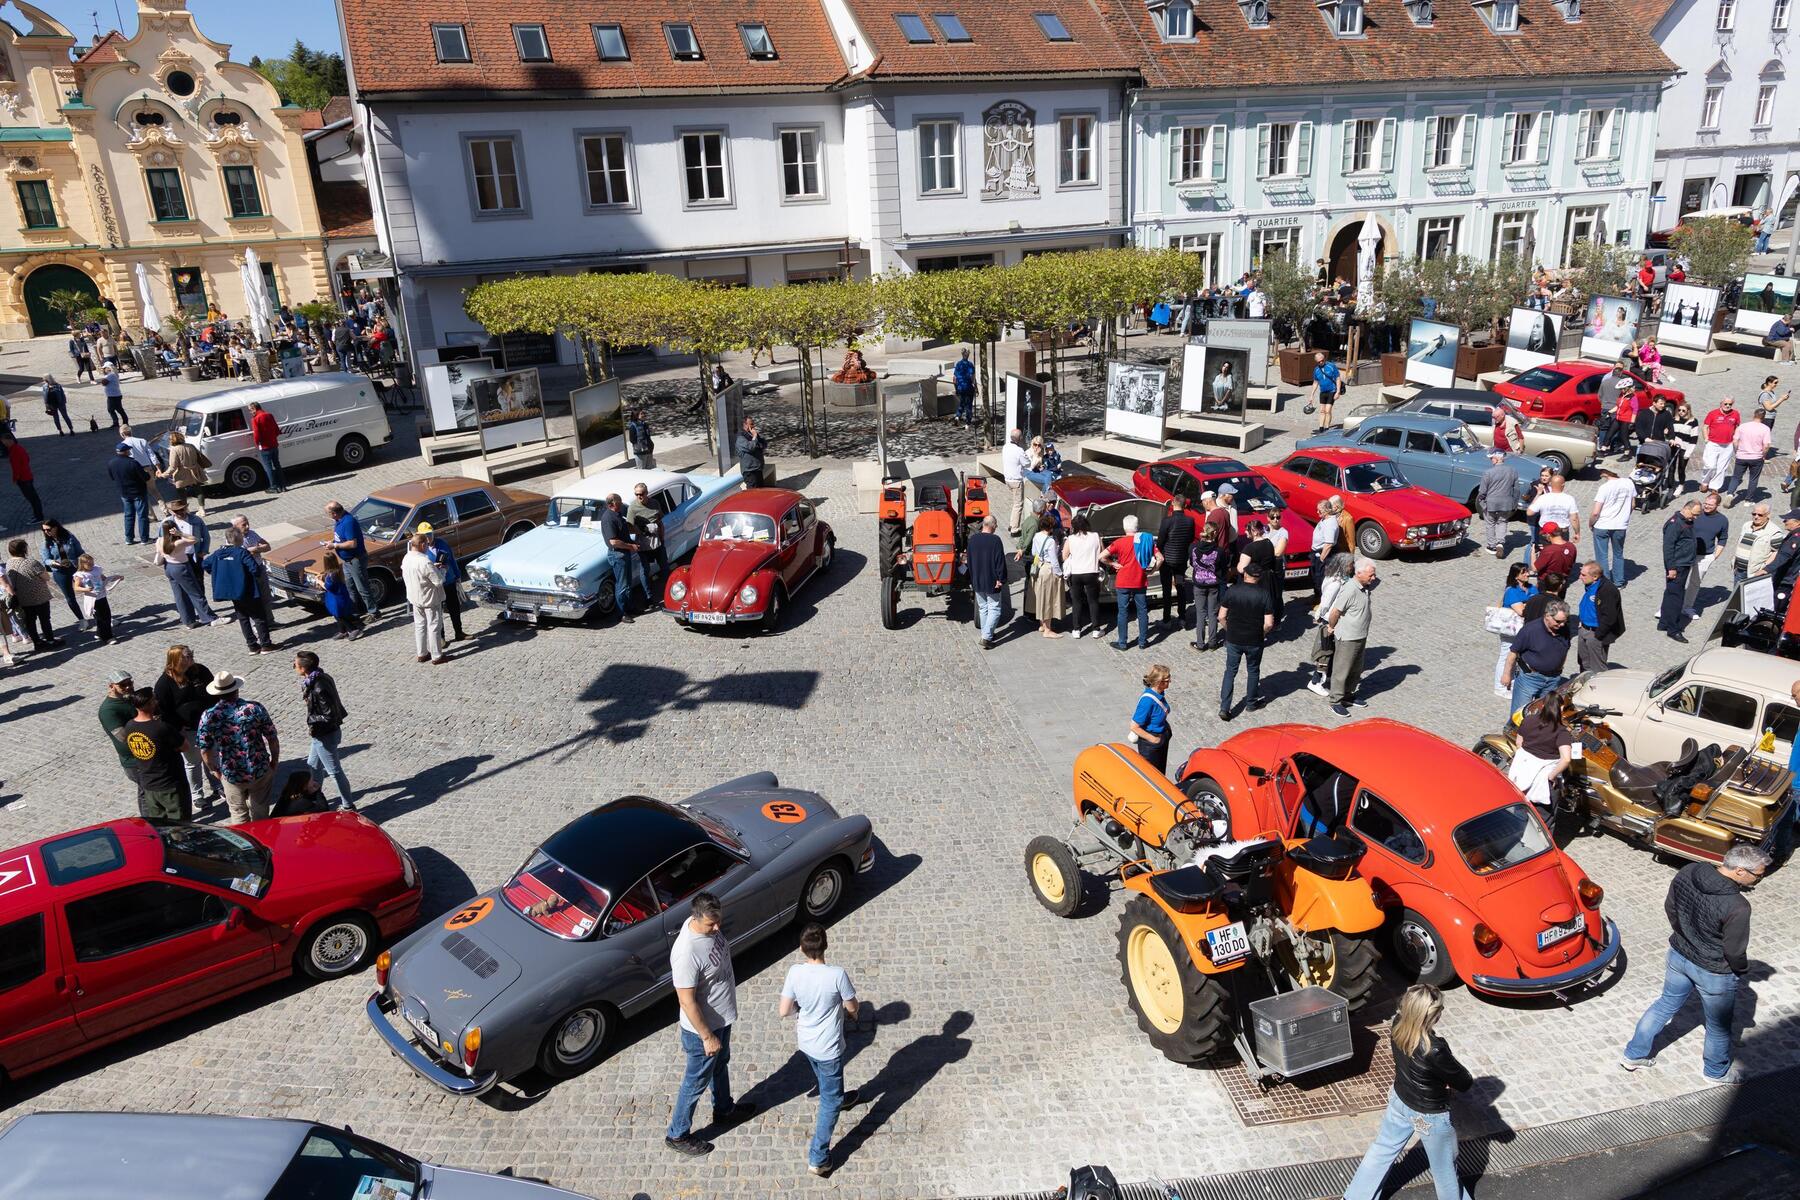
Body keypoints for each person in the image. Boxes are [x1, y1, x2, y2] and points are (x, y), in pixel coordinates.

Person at [1622, 845, 1771, 1081]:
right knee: (1718, 1026)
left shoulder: (1690, 871)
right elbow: (1734, 951)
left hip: (1679, 954)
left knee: (1664, 1005)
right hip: (1713, 971)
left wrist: (1683, 934)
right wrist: (1741, 970)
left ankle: (1634, 1054)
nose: (1759, 880)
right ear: (1741, 871)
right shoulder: (1737, 906)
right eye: (1758, 876)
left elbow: (1670, 906)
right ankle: (1715, 1071)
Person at [1341, 984, 1474, 1200]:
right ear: (1429, 1016)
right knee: (1444, 1169)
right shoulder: (1435, 1049)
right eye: (1438, 1010)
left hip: (1399, 1099)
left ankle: (1355, 1197)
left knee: (1382, 1149)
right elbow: (1464, 1081)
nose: (1440, 1013)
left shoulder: (1398, 1026)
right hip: (1428, 1115)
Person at [666, 892, 753, 1157]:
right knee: (695, 1081)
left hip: (721, 1020)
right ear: (696, 917)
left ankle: (724, 1109)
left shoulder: (708, 929)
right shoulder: (686, 951)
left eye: (718, 922)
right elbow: (686, 1000)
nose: (716, 929)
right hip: (703, 1031)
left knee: (721, 1065)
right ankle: (677, 1134)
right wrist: (707, 1036)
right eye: (710, 925)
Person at [780, 922, 862, 1177]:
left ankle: (838, 1096)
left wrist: (801, 1010)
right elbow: (852, 1005)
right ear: (825, 945)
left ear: (802, 948)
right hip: (828, 1046)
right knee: (830, 1100)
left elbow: (784, 1010)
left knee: (825, 1079)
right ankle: (818, 1156)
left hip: (806, 1042)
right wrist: (853, 1014)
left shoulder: (795, 972)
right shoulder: (836, 975)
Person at [196, 671, 280, 824]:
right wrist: (274, 761)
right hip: (259, 768)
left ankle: (246, 844)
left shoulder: (209, 716)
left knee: (238, 813)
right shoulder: (254, 708)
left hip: (232, 773)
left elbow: (204, 749)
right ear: (236, 689)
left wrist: (214, 769)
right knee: (260, 812)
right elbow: (272, 738)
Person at [154, 645, 220, 808]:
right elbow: (163, 711)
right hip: (187, 730)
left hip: (207, 724)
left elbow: (213, 691)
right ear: (176, 659)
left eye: (191, 654)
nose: (191, 658)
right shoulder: (164, 683)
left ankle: (217, 786)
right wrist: (178, 729)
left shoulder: (200, 671)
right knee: (193, 762)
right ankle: (197, 794)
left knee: (212, 756)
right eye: (187, 656)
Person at [294, 649, 354, 811]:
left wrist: (310, 720)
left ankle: (348, 805)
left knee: (334, 771)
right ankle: (315, 799)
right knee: (313, 765)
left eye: (295, 664)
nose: (294, 666)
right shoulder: (318, 678)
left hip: (325, 734)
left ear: (303, 669)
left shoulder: (318, 686)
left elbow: (329, 715)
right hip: (320, 734)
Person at [123, 688, 192, 822]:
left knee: (160, 826)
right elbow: (185, 747)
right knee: (179, 826)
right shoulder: (161, 727)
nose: (157, 702)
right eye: (154, 699)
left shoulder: (129, 726)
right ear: (150, 704)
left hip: (149, 785)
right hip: (170, 784)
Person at [1218, 562, 1275, 721]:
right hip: (1254, 641)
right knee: (1253, 670)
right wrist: (1260, 633)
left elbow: (1221, 616)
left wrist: (1229, 630)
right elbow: (1269, 623)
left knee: (1230, 671)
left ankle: (1225, 707)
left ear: (1245, 575)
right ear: (1259, 578)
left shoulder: (1233, 591)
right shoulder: (1264, 594)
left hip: (1234, 639)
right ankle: (1250, 703)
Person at [203, 527, 275, 654]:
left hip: (233, 592)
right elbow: (255, 569)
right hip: (248, 590)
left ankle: (252, 646)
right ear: (240, 539)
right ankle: (266, 645)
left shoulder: (218, 553)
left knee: (243, 617)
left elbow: (206, 564)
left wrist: (222, 572)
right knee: (259, 617)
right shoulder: (241, 552)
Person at [1325, 558, 1377, 717]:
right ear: (1359, 573)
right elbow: (1335, 611)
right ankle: (1335, 700)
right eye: (1371, 575)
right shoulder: (1349, 589)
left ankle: (1348, 694)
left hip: (1360, 635)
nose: (1373, 578)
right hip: (1348, 637)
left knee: (1356, 668)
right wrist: (1331, 626)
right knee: (1342, 669)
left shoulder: (1363, 587)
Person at [1503, 599, 1571, 716]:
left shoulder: (1564, 630)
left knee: (1544, 716)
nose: (1562, 625)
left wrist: (1559, 668)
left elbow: (1565, 650)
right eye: (1558, 621)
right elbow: (1513, 653)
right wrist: (1506, 675)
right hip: (1529, 678)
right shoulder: (1530, 630)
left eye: (1564, 621)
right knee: (1519, 715)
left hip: (1553, 679)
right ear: (1547, 616)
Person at [1102, 513, 1160, 651]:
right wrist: (1152, 571)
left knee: (1123, 612)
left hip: (1123, 581)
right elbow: (1161, 558)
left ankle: (1122, 643)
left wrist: (1113, 564)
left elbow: (1102, 557)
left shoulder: (1119, 542)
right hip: (1140, 580)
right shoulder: (1147, 540)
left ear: (1124, 527)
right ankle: (1142, 641)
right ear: (1137, 527)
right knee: (1142, 611)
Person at [153, 518, 223, 629]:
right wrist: (180, 533)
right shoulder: (178, 542)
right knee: (195, 593)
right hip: (181, 567)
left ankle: (188, 621)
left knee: (179, 595)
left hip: (169, 568)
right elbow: (195, 539)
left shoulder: (159, 541)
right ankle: (209, 618)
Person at [325, 500, 383, 619]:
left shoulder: (348, 522)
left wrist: (335, 546)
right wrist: (333, 541)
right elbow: (342, 537)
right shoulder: (339, 520)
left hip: (355, 560)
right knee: (350, 588)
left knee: (362, 588)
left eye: (328, 513)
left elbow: (352, 543)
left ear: (334, 513)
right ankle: (354, 612)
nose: (328, 516)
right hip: (347, 561)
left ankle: (374, 612)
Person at [402, 532, 449, 665]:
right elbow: (438, 581)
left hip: (415, 597)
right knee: (434, 626)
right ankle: (437, 656)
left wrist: (434, 568)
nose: (428, 547)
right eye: (427, 545)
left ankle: (422, 653)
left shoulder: (406, 557)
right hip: (429, 599)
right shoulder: (424, 561)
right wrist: (443, 569)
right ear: (422, 545)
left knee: (420, 626)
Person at [599, 492, 647, 622]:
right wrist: (631, 547)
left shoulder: (617, 514)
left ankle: (629, 607)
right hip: (618, 555)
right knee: (622, 585)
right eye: (619, 502)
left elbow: (624, 529)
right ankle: (622, 613)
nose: (621, 504)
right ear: (612, 504)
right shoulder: (608, 518)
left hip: (624, 554)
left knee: (627, 583)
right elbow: (613, 542)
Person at [3, 538, 58, 651]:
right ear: (24, 549)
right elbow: (46, 577)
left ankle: (37, 642)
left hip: (23, 599)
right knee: (45, 619)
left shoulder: (9, 563)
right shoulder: (31, 562)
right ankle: (50, 640)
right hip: (39, 597)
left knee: (30, 621)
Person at [1493, 562, 1537, 698]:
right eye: (1523, 572)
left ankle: (1511, 683)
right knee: (1506, 656)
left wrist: (1525, 604)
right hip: (1510, 631)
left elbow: (1538, 603)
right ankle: (1500, 687)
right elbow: (1522, 611)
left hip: (1525, 630)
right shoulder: (1512, 591)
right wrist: (1528, 605)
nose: (1527, 574)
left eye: (1527, 571)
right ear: (1516, 576)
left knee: (1517, 658)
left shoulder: (1532, 588)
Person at [1685, 490, 1731, 619]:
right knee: (1678, 580)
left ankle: (1687, 607)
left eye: (1710, 505)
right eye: (1705, 503)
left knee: (1695, 583)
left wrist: (1714, 556)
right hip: (1687, 553)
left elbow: (1723, 539)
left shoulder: (1722, 520)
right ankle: (1668, 607)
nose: (1706, 506)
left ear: (1717, 505)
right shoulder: (1696, 513)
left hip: (1705, 556)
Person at [1588, 465, 1636, 588]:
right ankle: (1619, 581)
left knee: (1602, 555)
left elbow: (1595, 512)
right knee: (1618, 554)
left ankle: (1605, 583)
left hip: (1602, 525)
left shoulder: (1604, 488)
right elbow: (1633, 505)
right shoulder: (1629, 483)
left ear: (1606, 472)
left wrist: (1591, 523)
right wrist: (1624, 517)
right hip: (1620, 526)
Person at [1575, 560, 1625, 673]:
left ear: (1595, 577)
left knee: (1597, 668)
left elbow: (1610, 617)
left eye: (1583, 575)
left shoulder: (1607, 590)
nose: (1580, 577)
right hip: (1584, 628)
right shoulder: (1590, 584)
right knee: (1583, 663)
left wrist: (1598, 635)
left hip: (1595, 633)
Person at [420, 522, 466, 641]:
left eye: (430, 534)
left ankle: (459, 632)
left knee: (454, 608)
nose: (428, 537)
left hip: (449, 581)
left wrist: (457, 574)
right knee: (437, 612)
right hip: (435, 585)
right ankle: (441, 638)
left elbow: (452, 559)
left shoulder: (442, 543)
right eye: (425, 535)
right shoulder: (420, 551)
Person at [967, 514, 1007, 649]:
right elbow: (999, 562)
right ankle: (986, 637)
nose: (996, 528)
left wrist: (972, 578)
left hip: (977, 579)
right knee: (994, 608)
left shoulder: (972, 540)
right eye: (996, 525)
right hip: (992, 579)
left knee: (983, 607)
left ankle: (986, 633)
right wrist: (1001, 579)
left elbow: (969, 561)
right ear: (992, 525)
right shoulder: (995, 540)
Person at [99, 670, 141, 795]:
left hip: (145, 755)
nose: (128, 687)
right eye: (123, 685)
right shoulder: (108, 711)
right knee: (147, 794)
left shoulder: (130, 698)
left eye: (130, 683)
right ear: (111, 687)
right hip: (134, 760)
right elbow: (122, 737)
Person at [1063, 511, 1104, 640]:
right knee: (1093, 601)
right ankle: (1096, 629)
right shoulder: (1096, 536)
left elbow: (1064, 556)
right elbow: (1102, 553)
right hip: (1092, 572)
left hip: (1076, 574)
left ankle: (1076, 629)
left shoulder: (1071, 539)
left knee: (1077, 601)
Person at [1157, 496, 1195, 627]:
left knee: (1166, 590)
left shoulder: (1167, 521)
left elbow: (1160, 541)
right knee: (1181, 587)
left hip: (1167, 560)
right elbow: (1190, 539)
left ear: (1173, 503)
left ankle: (1166, 619)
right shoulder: (1190, 521)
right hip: (1181, 559)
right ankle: (1182, 618)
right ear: (1184, 505)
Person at [37, 518, 83, 626]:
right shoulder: (46, 543)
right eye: (44, 530)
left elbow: (80, 552)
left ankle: (100, 616)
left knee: (89, 591)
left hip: (75, 567)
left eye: (48, 529)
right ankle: (81, 619)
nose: (46, 532)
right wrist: (52, 562)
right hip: (60, 571)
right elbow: (45, 559)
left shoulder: (69, 537)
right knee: (70, 597)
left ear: (56, 527)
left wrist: (87, 566)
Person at [1130, 664, 1175, 773]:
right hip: (1151, 746)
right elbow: (1134, 727)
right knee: (1153, 775)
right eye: (1168, 680)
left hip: (1161, 737)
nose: (1170, 681)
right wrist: (1153, 739)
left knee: (1160, 772)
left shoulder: (1160, 693)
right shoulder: (1147, 701)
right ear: (1160, 682)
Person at [1190, 522, 1227, 651]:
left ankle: (1200, 643)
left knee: (1200, 614)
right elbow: (1223, 568)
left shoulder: (1193, 548)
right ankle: (1212, 642)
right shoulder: (1219, 551)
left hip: (1199, 584)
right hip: (1213, 584)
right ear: (1215, 534)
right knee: (1212, 613)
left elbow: (1192, 563)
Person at [1473, 452, 1519, 558]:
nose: (1491, 460)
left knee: (1490, 524)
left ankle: (1492, 546)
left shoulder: (1488, 472)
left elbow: (1482, 491)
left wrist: (1482, 503)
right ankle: (1500, 542)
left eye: (1492, 458)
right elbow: (1516, 490)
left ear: (1496, 459)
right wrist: (1514, 503)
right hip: (1506, 503)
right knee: (1502, 522)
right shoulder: (1513, 471)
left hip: (1491, 503)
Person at [1029, 513, 1065, 638]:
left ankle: (1042, 624)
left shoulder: (1036, 536)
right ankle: (1048, 630)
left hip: (1038, 567)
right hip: (1048, 569)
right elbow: (1054, 561)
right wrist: (1060, 574)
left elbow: (1034, 552)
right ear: (1050, 527)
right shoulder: (1050, 541)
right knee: (1048, 599)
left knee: (1040, 597)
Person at [108, 443, 151, 544]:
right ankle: (144, 538)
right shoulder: (133, 463)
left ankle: (129, 538)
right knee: (142, 516)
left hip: (124, 493)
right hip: (138, 492)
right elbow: (146, 477)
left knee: (128, 515)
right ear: (126, 451)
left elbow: (112, 478)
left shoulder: (111, 463)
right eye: (128, 450)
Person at [312, 550, 362, 639]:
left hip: (337, 599)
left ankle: (353, 629)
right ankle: (342, 631)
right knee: (336, 614)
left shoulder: (332, 575)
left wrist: (319, 581)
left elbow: (328, 587)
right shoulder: (336, 570)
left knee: (340, 615)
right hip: (337, 597)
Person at [160, 430, 211, 516]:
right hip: (194, 470)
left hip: (181, 473)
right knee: (198, 490)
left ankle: (185, 510)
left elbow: (173, 466)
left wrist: (164, 475)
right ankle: (202, 509)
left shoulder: (174, 450)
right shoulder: (191, 446)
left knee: (181, 492)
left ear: (172, 440)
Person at [1728, 410, 1773, 504]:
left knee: (1736, 477)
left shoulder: (1743, 426)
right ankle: (1748, 500)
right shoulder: (1765, 428)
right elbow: (1766, 445)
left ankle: (1730, 494)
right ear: (1763, 417)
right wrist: (1764, 455)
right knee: (1753, 479)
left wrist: (1736, 452)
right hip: (1756, 457)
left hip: (1741, 456)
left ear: (1754, 415)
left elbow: (1735, 441)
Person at [1733, 502, 1783, 585]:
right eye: (1754, 514)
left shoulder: (1774, 532)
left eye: (1760, 515)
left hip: (1755, 573)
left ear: (1768, 515)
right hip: (1739, 570)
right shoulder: (1746, 525)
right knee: (1737, 596)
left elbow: (1776, 552)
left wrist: (1764, 567)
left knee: (1751, 596)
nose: (1756, 517)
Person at [1526, 474, 1580, 545]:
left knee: (1545, 553)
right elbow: (1574, 518)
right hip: (1562, 532)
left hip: (1545, 531)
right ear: (1563, 485)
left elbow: (1529, 512)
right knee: (1561, 554)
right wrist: (1577, 533)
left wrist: (1538, 495)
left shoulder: (1543, 498)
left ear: (1551, 484)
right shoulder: (1569, 499)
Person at [1700, 399, 1742, 492]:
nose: (1727, 406)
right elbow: (1705, 426)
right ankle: (1705, 481)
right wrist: (1706, 438)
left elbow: (1737, 427)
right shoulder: (1712, 413)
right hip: (1713, 443)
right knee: (1710, 465)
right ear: (1721, 404)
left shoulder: (1735, 414)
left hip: (1728, 445)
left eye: (1730, 404)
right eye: (1725, 404)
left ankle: (1715, 486)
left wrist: (1736, 439)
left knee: (1722, 467)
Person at [248, 400, 284, 492]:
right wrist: (273, 438)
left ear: (254, 409)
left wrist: (258, 443)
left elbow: (257, 435)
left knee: (268, 466)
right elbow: (276, 429)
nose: (250, 412)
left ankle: (273, 486)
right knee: (277, 464)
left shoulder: (255, 419)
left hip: (265, 446)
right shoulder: (269, 415)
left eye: (250, 410)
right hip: (274, 444)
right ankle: (282, 485)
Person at [1000, 428, 1028, 534]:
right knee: (1018, 505)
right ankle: (1014, 529)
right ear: (1020, 438)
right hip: (1016, 481)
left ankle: (1012, 523)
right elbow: (1027, 463)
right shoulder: (1019, 450)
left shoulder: (1005, 447)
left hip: (1007, 479)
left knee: (1015, 504)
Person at [1670, 401, 1700, 488]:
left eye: (1683, 410)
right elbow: (1670, 433)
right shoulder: (1674, 419)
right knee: (1671, 468)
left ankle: (1681, 484)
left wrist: (1688, 452)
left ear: (1688, 411)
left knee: (1681, 468)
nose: (1681, 412)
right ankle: (1670, 486)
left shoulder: (1693, 421)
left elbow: (1694, 438)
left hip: (1685, 448)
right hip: (1673, 446)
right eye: (1679, 410)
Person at [1309, 350, 1340, 431]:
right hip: (1323, 391)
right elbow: (1315, 382)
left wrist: (1338, 391)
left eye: (1323, 360)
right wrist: (1312, 395)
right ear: (1316, 361)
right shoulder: (1316, 370)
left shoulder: (1331, 366)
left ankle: (1327, 427)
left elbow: (1338, 378)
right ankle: (1321, 427)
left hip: (1332, 390)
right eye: (1319, 361)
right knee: (1322, 410)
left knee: (1328, 410)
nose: (1321, 362)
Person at [735, 416, 767, 489]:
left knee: (761, 491)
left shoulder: (753, 434)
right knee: (753, 492)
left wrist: (756, 438)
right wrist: (754, 437)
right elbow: (750, 447)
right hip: (749, 471)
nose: (753, 426)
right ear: (745, 425)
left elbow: (764, 444)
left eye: (753, 424)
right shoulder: (741, 438)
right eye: (751, 424)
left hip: (758, 468)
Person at [952, 349, 976, 426]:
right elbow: (972, 378)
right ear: (968, 355)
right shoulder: (970, 365)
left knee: (962, 403)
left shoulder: (958, 364)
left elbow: (954, 379)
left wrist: (956, 389)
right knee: (969, 404)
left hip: (960, 387)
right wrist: (976, 388)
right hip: (968, 387)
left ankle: (957, 416)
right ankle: (968, 423)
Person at [99, 363, 126, 428]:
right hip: (113, 395)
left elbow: (104, 383)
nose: (103, 370)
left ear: (108, 368)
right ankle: (120, 422)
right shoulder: (111, 375)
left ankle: (120, 422)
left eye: (104, 368)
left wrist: (102, 380)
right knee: (116, 409)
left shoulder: (111, 375)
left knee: (113, 409)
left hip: (114, 396)